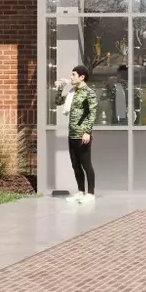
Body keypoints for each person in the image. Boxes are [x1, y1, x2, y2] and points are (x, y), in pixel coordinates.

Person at [61, 64, 97, 203]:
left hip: (82, 135)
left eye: (73, 75)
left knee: (86, 165)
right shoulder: (72, 92)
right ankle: (81, 191)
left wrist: (87, 131)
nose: (71, 77)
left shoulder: (89, 93)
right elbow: (58, 101)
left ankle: (91, 194)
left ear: (82, 77)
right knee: (75, 165)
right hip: (72, 134)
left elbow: (92, 113)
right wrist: (60, 88)